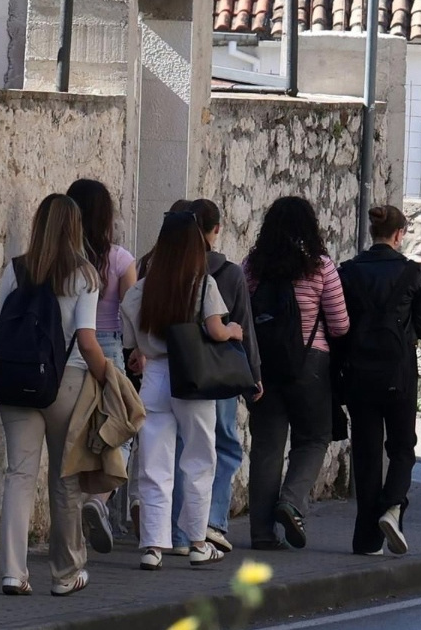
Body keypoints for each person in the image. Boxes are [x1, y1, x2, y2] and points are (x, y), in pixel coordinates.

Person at [120, 209, 241, 570]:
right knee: (200, 461)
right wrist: (234, 330)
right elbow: (217, 331)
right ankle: (197, 540)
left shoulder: (141, 289)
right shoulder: (202, 284)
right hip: (193, 378)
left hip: (155, 377)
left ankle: (152, 546)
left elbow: (131, 344)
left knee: (154, 465)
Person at [0, 194, 106, 596]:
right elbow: (88, 341)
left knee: (18, 475)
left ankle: (12, 571)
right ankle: (65, 574)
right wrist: (109, 377)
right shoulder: (84, 275)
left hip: (17, 381)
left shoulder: (15, 270)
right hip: (67, 382)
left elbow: (1, 324)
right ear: (75, 228)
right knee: (65, 479)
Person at [244, 196, 350, 551]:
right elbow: (339, 325)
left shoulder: (253, 266)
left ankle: (260, 533)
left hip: (263, 367)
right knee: (315, 437)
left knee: (266, 447)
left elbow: (241, 315)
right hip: (310, 366)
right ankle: (290, 501)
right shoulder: (320, 267)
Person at [167, 199, 263, 554]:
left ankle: (177, 530)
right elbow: (242, 325)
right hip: (216, 373)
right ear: (216, 230)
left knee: (180, 449)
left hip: (176, 370)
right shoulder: (227, 273)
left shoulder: (164, 270)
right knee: (223, 446)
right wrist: (254, 373)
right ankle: (211, 521)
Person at [338, 206, 421, 556]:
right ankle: (392, 506)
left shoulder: (348, 271)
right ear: (399, 234)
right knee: (403, 447)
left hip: (359, 373)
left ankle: (365, 539)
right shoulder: (410, 272)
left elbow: (339, 325)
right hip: (399, 374)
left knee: (366, 453)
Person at [67, 179, 139, 555]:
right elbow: (132, 311)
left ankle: (76, 517)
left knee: (75, 437)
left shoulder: (63, 258)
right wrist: (138, 350)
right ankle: (100, 498)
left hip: (67, 352)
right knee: (120, 428)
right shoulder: (120, 260)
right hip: (107, 347)